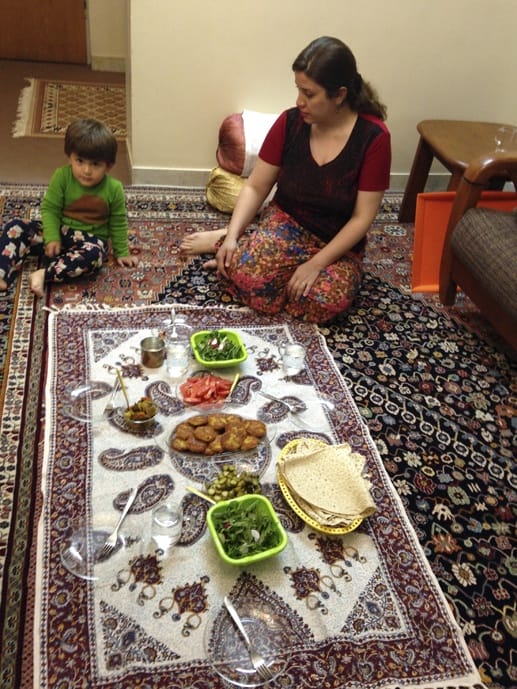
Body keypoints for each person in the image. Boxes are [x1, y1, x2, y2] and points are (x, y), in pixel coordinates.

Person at [180, 36, 391, 323]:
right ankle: (233, 238)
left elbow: (361, 219)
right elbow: (256, 186)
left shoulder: (374, 139)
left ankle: (251, 243)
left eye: (309, 94)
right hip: (287, 223)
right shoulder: (289, 123)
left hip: (336, 240)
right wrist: (231, 237)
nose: (299, 101)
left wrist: (316, 264)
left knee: (323, 302)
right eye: (298, 90)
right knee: (247, 276)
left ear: (339, 95)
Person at [0, 118, 138, 297]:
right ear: (70, 157)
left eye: (95, 164)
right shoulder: (62, 176)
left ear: (108, 166)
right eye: (80, 161)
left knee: (94, 257)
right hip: (60, 232)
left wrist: (122, 252)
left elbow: (118, 221)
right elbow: (50, 209)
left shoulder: (114, 188)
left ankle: (44, 274)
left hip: (91, 241)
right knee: (15, 227)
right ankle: (2, 272)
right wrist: (52, 237)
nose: (87, 170)